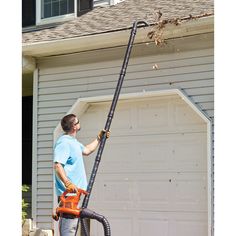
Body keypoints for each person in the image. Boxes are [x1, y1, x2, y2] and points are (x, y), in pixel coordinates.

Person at [53, 113, 110, 236]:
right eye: (78, 122)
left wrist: (99, 138)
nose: (79, 123)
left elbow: (87, 150)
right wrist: (67, 183)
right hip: (69, 196)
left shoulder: (73, 142)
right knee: (68, 231)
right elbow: (58, 166)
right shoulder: (64, 143)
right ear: (74, 126)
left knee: (72, 230)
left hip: (75, 195)